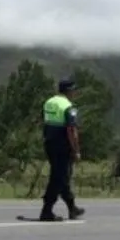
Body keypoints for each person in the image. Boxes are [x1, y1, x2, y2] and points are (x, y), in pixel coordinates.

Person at [39, 78, 85, 221]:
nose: (75, 93)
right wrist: (76, 150)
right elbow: (71, 130)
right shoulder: (68, 107)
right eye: (74, 90)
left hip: (49, 144)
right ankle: (46, 211)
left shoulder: (49, 102)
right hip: (63, 146)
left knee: (61, 176)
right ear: (69, 91)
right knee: (58, 178)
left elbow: (44, 121)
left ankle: (72, 208)